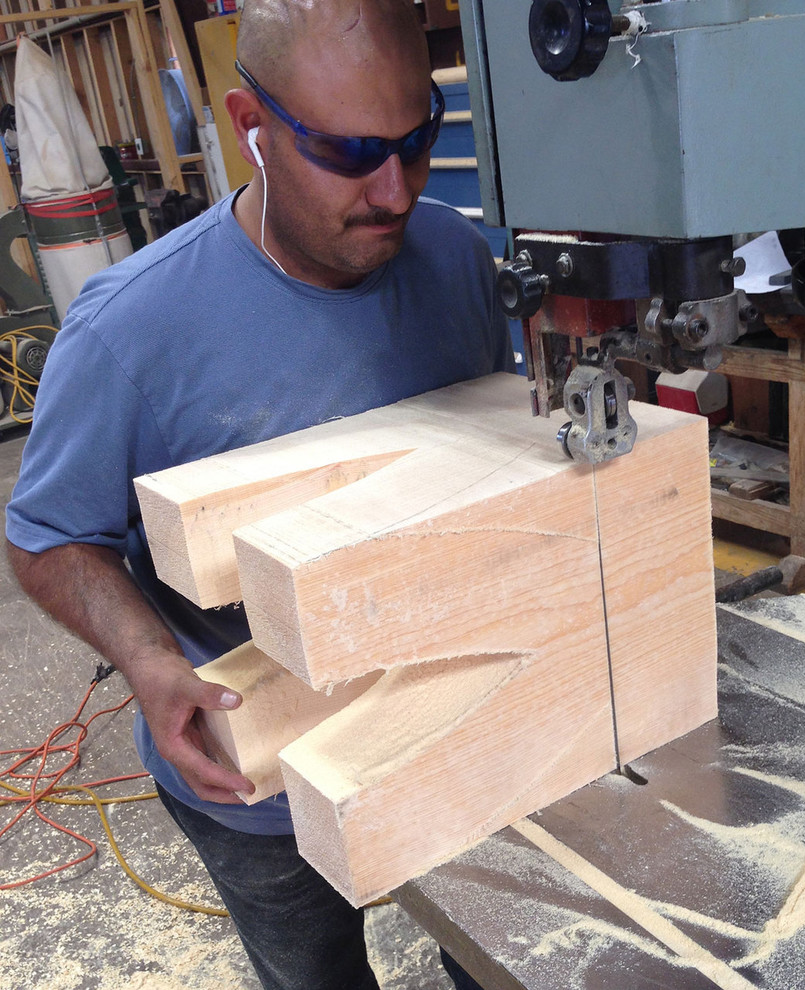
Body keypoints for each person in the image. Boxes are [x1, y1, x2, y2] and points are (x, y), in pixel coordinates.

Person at [5, 1, 511, 987]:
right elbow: (47, 538)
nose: (395, 189)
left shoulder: (456, 257)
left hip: (454, 722)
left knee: (494, 961)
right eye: (352, 151)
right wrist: (150, 660)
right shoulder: (130, 328)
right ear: (253, 125)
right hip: (259, 777)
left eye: (418, 141)